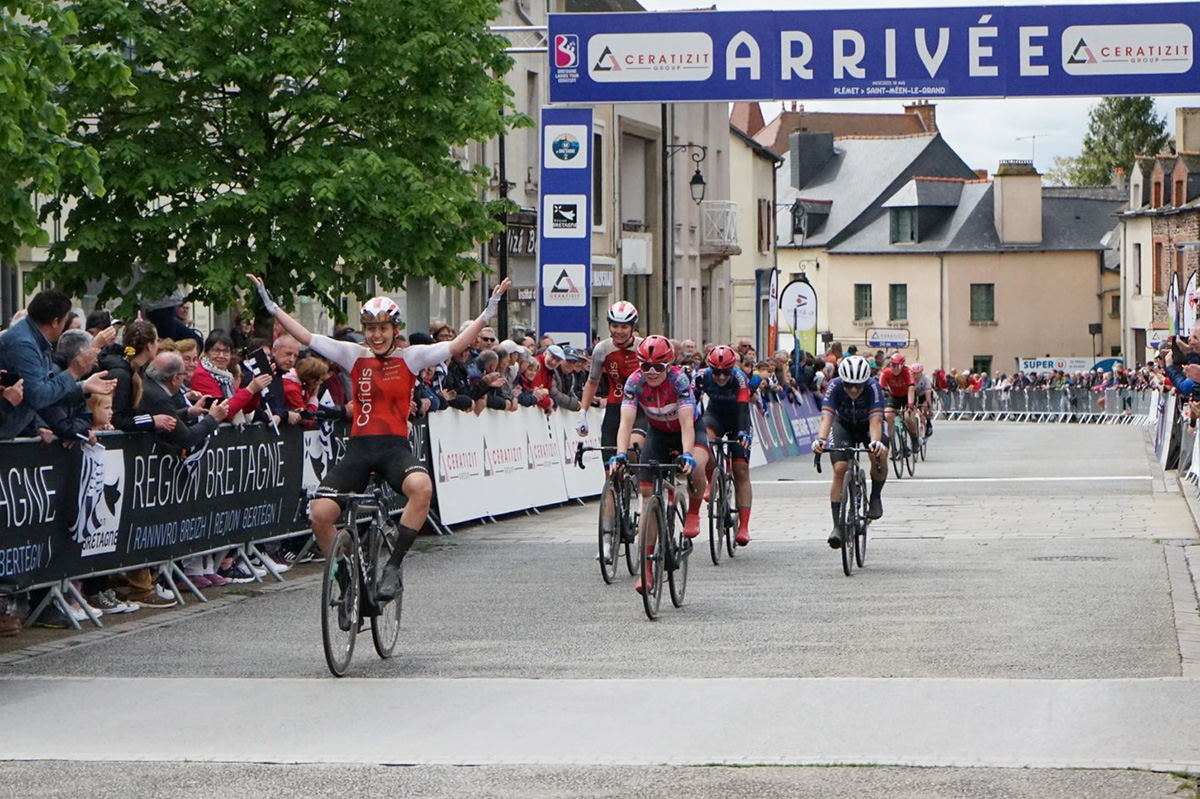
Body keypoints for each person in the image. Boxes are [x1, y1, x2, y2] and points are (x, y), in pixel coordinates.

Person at [249, 273, 510, 606]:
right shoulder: (352, 355)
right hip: (359, 450)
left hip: (393, 449)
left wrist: (489, 310)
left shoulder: (410, 358)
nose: (375, 335)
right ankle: (346, 582)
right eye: (371, 329)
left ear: (394, 330)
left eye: (382, 329)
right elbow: (306, 336)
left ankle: (394, 566)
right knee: (320, 515)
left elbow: (457, 345)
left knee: (422, 489)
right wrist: (271, 305)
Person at [608, 336, 709, 595]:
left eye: (658, 367)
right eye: (645, 366)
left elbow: (687, 424)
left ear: (669, 365)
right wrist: (621, 453)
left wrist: (686, 454)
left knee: (696, 465)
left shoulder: (679, 381)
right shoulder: (634, 382)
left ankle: (694, 512)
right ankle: (647, 569)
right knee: (646, 498)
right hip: (658, 433)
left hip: (687, 431)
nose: (651, 372)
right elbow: (625, 423)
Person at [0, 290, 117, 439]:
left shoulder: (34, 340)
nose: (64, 327)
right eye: (64, 321)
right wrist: (73, 372)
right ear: (55, 322)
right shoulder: (24, 343)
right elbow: (38, 397)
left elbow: (42, 392)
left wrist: (83, 387)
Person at [811, 355, 889, 549]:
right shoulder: (834, 386)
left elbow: (876, 421)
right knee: (840, 469)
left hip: (867, 426)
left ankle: (875, 497)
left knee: (879, 453)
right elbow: (827, 417)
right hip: (843, 425)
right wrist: (821, 440)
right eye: (849, 386)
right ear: (842, 382)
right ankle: (837, 526)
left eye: (858, 386)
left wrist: (876, 443)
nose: (853, 390)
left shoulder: (873, 387)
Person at [693, 345, 754, 546]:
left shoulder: (739, 378)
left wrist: (743, 431)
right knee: (705, 443)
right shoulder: (702, 376)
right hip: (715, 416)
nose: (720, 377)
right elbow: (692, 404)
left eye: (725, 372)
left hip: (738, 419)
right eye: (716, 372)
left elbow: (744, 407)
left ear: (732, 368)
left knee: (741, 470)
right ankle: (712, 479)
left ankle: (743, 526)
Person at [878, 352, 917, 452]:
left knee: (908, 417)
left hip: (907, 395)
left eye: (897, 366)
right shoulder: (885, 373)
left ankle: (914, 438)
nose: (895, 369)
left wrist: (910, 405)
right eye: (893, 365)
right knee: (888, 415)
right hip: (894, 396)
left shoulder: (907, 371)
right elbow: (880, 390)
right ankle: (892, 442)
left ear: (902, 365)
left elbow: (911, 389)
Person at [912, 362, 934, 438]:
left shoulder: (925, 380)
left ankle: (928, 423)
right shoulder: (911, 379)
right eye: (914, 373)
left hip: (925, 395)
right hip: (915, 394)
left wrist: (929, 407)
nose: (916, 376)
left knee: (925, 408)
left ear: (921, 373)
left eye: (917, 373)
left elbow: (928, 396)